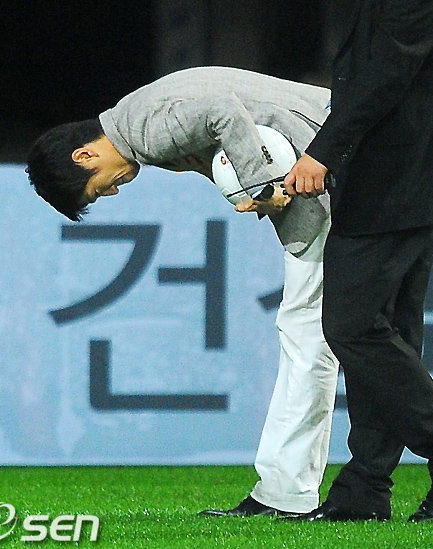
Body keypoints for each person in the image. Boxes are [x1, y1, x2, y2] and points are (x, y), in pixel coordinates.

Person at [26, 66, 340, 517]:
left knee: (309, 337)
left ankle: (289, 492)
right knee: (339, 334)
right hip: (339, 144)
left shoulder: (145, 130)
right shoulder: (136, 118)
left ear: (84, 155)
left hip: (332, 157)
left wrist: (259, 184)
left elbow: (221, 112)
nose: (111, 193)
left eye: (96, 191)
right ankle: (318, 486)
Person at [282, 0, 433, 523]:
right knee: (390, 332)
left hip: (395, 179)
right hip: (405, 177)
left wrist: (323, 151)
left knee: (352, 325)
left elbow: (386, 73)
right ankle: (364, 489)